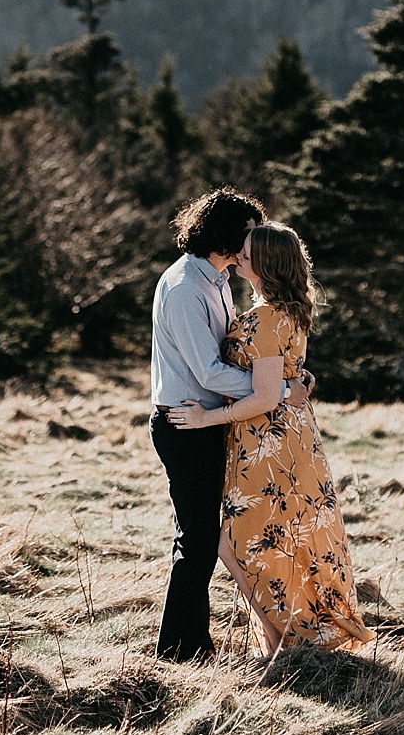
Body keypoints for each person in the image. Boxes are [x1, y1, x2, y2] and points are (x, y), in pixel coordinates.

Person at [167, 222, 373, 654]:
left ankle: (281, 634)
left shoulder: (264, 320)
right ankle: (282, 630)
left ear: (266, 262)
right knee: (278, 533)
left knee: (232, 538)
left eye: (248, 250)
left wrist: (207, 418)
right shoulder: (288, 311)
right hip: (285, 436)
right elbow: (278, 379)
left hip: (266, 442)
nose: (238, 253)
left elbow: (262, 396)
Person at [147, 188, 314, 662]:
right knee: (197, 539)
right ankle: (180, 652)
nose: (254, 241)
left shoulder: (218, 278)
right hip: (187, 422)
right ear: (221, 235)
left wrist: (281, 377)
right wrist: (280, 391)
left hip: (216, 420)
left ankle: (247, 635)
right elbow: (209, 371)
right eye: (246, 233)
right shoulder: (184, 287)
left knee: (218, 535)